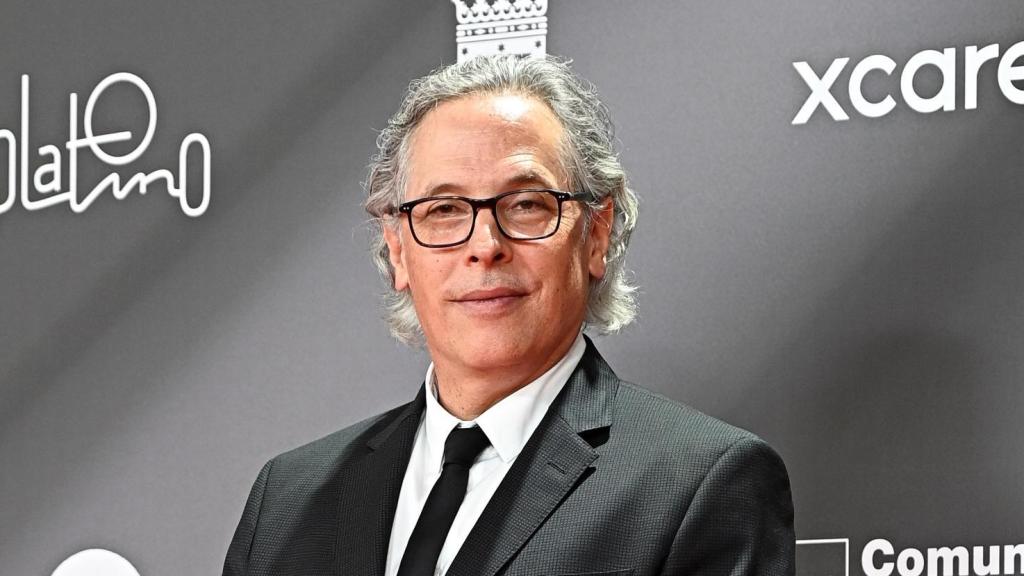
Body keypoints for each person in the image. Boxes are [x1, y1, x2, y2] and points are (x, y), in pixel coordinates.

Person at [223, 55, 794, 576]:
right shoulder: (289, 497)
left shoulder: (701, 484)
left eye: (525, 204)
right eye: (443, 209)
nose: (485, 245)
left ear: (596, 234)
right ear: (398, 250)